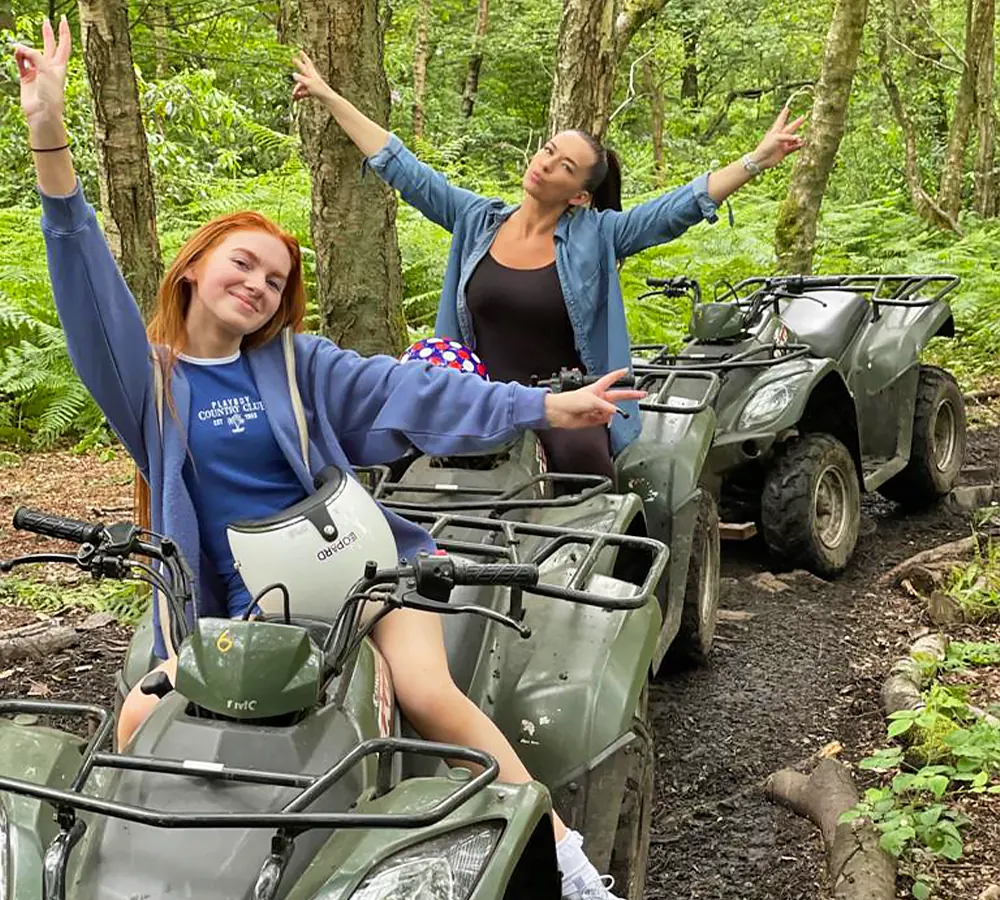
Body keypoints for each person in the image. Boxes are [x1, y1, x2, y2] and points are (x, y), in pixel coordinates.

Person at [14, 18, 644, 900]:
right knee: (138, 714)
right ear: (193, 269)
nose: (259, 286)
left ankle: (566, 857)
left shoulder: (298, 365)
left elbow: (414, 392)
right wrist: (49, 131)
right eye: (244, 265)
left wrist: (542, 403)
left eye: (275, 280)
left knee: (423, 694)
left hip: (360, 573)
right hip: (232, 606)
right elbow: (81, 272)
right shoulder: (145, 379)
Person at [291, 52, 805, 482]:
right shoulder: (476, 221)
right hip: (479, 397)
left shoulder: (599, 234)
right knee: (399, 478)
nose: (545, 163)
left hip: (568, 402)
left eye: (563, 166)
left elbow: (676, 209)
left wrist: (756, 159)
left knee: (588, 488)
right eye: (548, 150)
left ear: (580, 195)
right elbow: (403, 168)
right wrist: (328, 95)